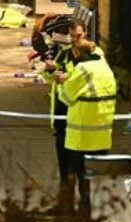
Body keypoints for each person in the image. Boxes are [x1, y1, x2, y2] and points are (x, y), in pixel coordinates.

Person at [38, 19, 102, 198]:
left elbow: (97, 78)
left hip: (82, 116)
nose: (75, 40)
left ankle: (85, 201)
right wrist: (51, 71)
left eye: (79, 36)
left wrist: (68, 78)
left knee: (81, 163)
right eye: (72, 36)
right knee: (64, 164)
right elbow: (48, 78)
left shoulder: (95, 53)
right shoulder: (64, 54)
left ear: (86, 33)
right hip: (62, 114)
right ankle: (65, 200)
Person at [54, 39, 117, 211]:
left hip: (81, 134)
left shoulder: (82, 69)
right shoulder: (105, 68)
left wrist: (62, 83)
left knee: (80, 174)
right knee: (96, 175)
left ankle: (83, 209)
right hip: (102, 133)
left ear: (76, 53)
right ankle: (97, 210)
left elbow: (65, 97)